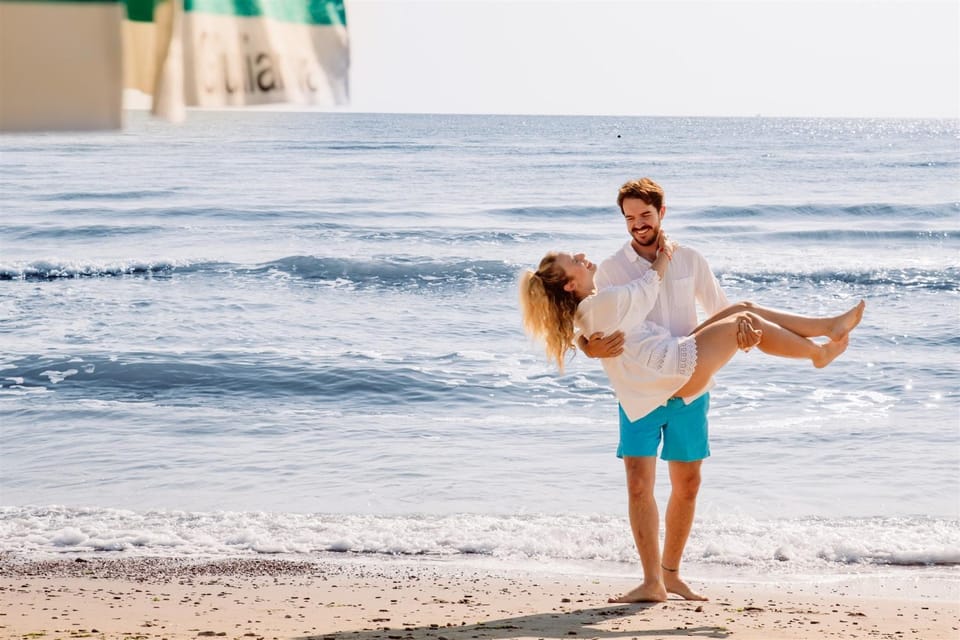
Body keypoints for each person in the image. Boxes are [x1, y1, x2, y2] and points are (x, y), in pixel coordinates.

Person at [519, 178, 865, 603]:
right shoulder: (609, 270)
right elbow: (585, 315)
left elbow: (716, 309)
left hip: (678, 365)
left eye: (645, 216)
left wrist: (742, 341)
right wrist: (586, 347)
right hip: (647, 388)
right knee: (638, 485)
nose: (637, 225)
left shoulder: (690, 260)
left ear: (661, 214)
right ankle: (651, 582)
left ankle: (671, 575)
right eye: (629, 218)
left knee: (741, 314)